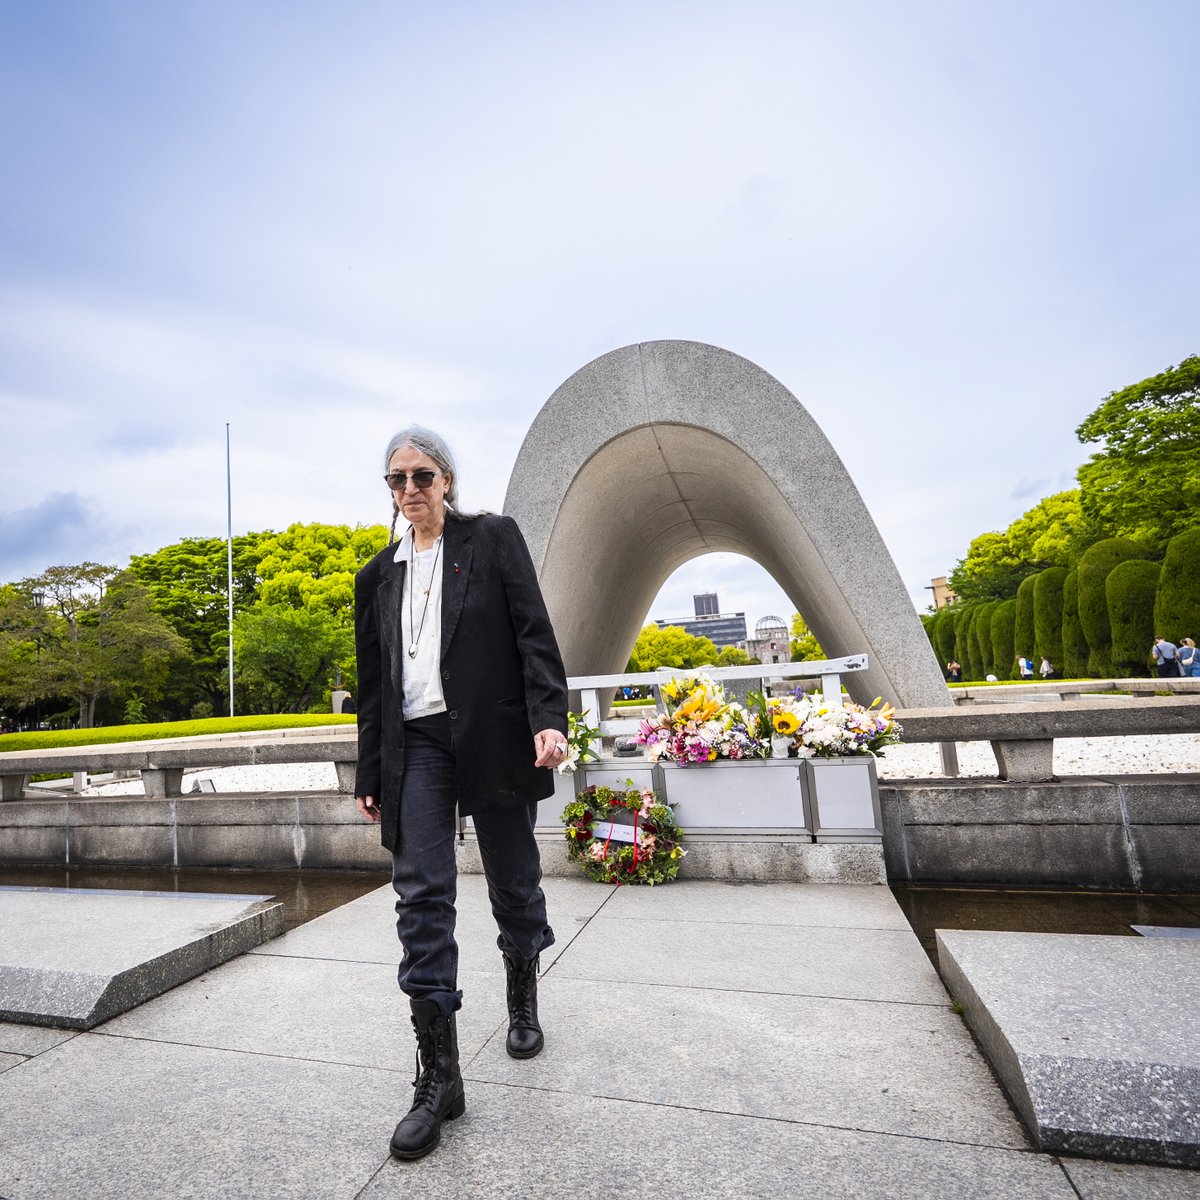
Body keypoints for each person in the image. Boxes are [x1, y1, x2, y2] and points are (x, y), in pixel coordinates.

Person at [354, 425, 569, 1162]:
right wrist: (370, 773)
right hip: (415, 746)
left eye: (421, 475)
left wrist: (548, 721)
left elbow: (534, 636)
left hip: (493, 733)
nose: (409, 490)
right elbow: (374, 685)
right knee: (420, 897)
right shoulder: (376, 576)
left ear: (446, 478)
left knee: (513, 881)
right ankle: (439, 1076)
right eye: (396, 479)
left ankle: (521, 995)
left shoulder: (492, 539)